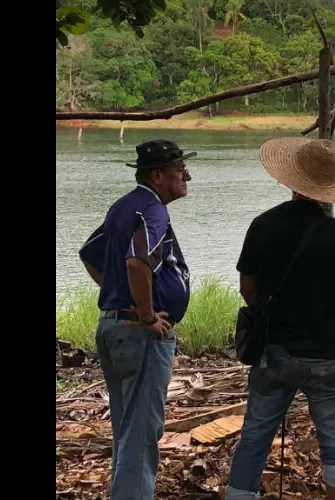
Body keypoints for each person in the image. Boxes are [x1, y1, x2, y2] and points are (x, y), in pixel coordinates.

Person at [226, 138, 335, 500]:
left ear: (292, 181)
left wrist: (271, 313)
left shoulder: (262, 225)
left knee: (255, 438)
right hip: (325, 354)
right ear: (330, 188)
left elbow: (248, 287)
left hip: (272, 351)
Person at [78, 140, 196, 500]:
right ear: (157, 176)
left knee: (127, 430)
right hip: (137, 334)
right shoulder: (152, 210)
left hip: (113, 328)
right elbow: (136, 261)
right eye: (179, 169)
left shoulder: (123, 206)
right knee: (142, 436)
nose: (187, 175)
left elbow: (90, 253)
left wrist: (121, 295)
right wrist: (144, 314)